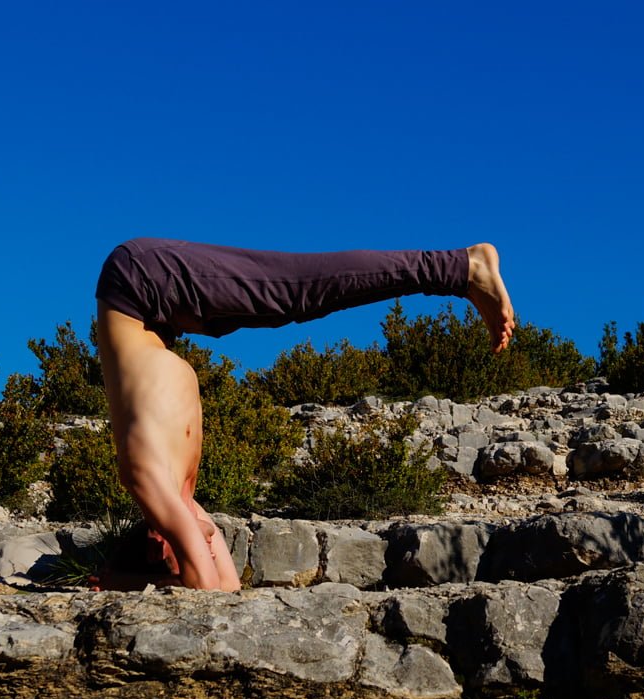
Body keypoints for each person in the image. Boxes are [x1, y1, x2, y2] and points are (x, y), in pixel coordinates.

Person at [95, 236, 514, 591]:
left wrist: (140, 583)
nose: (208, 539)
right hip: (156, 312)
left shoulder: (145, 479)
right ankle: (454, 269)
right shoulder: (184, 501)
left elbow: (203, 589)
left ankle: (461, 267)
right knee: (294, 301)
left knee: (293, 292)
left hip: (139, 280)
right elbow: (228, 590)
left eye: (184, 552)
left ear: (157, 545)